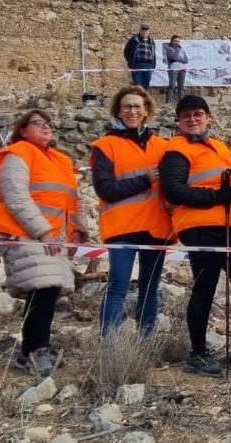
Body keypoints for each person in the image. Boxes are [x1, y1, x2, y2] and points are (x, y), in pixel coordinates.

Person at [160, 95, 231, 377]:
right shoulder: (176, 150)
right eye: (187, 116)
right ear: (179, 121)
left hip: (228, 227)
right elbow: (174, 191)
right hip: (199, 227)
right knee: (205, 285)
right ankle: (198, 352)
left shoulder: (218, 147)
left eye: (198, 114)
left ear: (207, 117)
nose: (193, 119)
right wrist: (216, 196)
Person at [0, 109, 89, 376]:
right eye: (37, 123)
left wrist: (80, 229)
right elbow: (16, 197)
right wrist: (43, 231)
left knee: (46, 292)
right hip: (25, 235)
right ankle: (35, 350)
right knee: (43, 290)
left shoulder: (60, 160)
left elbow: (72, 198)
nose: (45, 127)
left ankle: (29, 351)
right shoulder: (16, 154)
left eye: (48, 123)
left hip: (51, 238)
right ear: (22, 129)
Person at [90, 86, 171, 338]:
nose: (132, 111)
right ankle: (109, 348)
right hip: (122, 228)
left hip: (155, 229)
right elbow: (105, 189)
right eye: (127, 106)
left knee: (150, 288)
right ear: (118, 111)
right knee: (118, 287)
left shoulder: (162, 146)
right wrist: (144, 180)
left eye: (137, 106)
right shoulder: (104, 146)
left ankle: (145, 346)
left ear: (147, 111)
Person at [124, 23, 157, 89]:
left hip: (148, 65)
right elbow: (126, 51)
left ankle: (144, 99)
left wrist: (153, 65)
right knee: (138, 85)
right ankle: (138, 99)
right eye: (143, 30)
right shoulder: (134, 40)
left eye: (146, 30)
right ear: (140, 30)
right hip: (137, 65)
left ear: (149, 31)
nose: (144, 32)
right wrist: (131, 63)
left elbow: (153, 54)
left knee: (146, 85)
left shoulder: (151, 41)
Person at [163, 35, 189, 104]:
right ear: (172, 41)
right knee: (172, 86)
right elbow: (172, 58)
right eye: (175, 41)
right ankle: (168, 103)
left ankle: (181, 103)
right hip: (173, 69)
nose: (176, 42)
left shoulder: (182, 50)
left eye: (178, 41)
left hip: (182, 70)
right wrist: (177, 52)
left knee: (181, 87)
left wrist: (179, 58)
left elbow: (186, 60)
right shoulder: (169, 49)